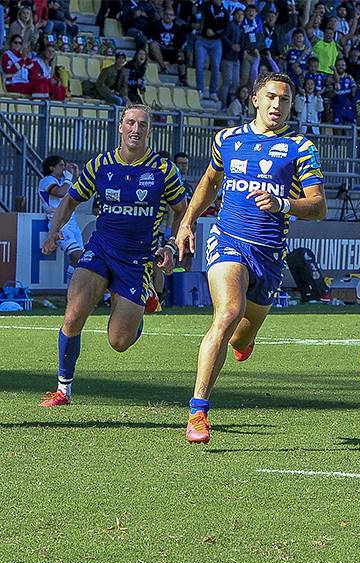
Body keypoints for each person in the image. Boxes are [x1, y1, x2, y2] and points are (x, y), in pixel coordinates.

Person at [175, 72, 326, 444]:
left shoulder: (300, 148)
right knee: (226, 315)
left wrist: (284, 204)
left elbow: (318, 205)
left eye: (285, 100)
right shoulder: (227, 139)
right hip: (228, 242)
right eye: (271, 97)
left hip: (270, 256)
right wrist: (187, 222)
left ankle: (245, 340)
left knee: (242, 336)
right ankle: (198, 412)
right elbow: (210, 182)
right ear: (255, 99)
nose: (278, 105)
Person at [40, 105, 187, 407]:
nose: (136, 129)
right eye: (130, 123)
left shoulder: (163, 171)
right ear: (120, 126)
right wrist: (54, 231)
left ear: (149, 131)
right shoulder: (101, 165)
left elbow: (183, 212)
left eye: (142, 125)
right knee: (73, 315)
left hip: (137, 261)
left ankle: (134, 312)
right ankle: (63, 390)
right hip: (101, 249)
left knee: (119, 342)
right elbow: (69, 201)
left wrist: (172, 246)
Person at [39, 156, 83, 284]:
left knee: (77, 262)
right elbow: (60, 193)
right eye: (61, 165)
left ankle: (70, 294)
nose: (64, 168)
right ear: (51, 167)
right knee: (79, 257)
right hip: (59, 224)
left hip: (72, 221)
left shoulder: (66, 181)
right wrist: (69, 177)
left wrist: (75, 175)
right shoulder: (47, 181)